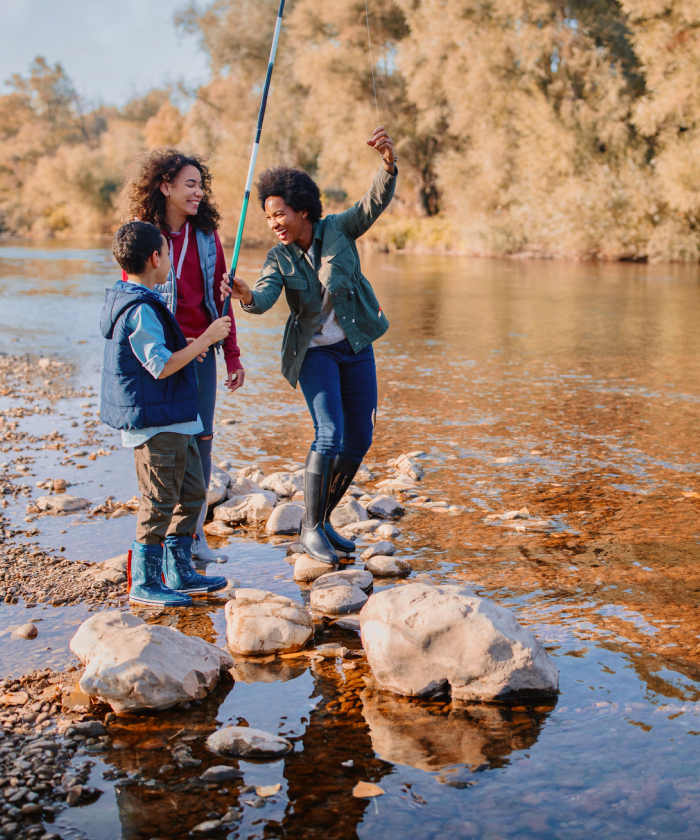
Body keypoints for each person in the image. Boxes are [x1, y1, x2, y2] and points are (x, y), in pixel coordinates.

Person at [222, 126, 397, 564]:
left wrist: (388, 164)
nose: (274, 224)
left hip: (355, 346)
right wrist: (244, 295)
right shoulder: (278, 258)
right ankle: (312, 529)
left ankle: (320, 521)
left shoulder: (338, 229)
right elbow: (263, 298)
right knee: (330, 434)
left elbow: (372, 203)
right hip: (314, 352)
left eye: (279, 214)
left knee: (359, 439)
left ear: (303, 210)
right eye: (268, 218)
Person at [120, 150, 244, 562]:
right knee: (164, 446)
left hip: (204, 352)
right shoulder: (143, 238)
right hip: (165, 355)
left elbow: (221, 301)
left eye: (200, 185)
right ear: (165, 187)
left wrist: (232, 355)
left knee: (201, 442)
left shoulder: (207, 237)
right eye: (189, 184)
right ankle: (157, 541)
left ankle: (193, 536)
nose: (198, 192)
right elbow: (133, 300)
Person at [101, 221, 230, 607]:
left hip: (176, 419)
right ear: (155, 258)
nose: (172, 258)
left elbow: (154, 354)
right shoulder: (139, 308)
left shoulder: (145, 300)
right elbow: (159, 366)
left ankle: (179, 572)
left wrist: (188, 344)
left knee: (192, 494)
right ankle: (144, 581)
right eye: (168, 252)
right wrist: (206, 339)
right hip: (157, 424)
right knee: (158, 501)